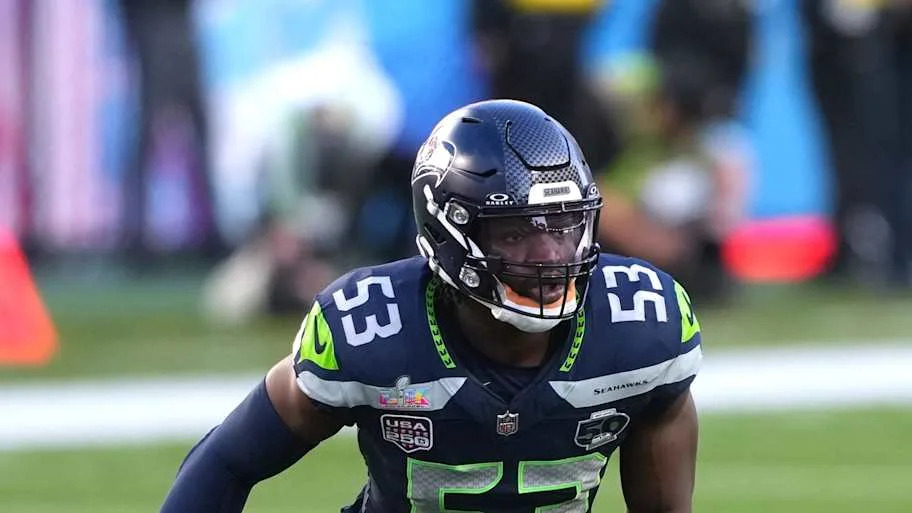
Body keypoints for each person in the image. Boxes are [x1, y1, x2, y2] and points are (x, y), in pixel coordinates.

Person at [160, 99, 703, 512]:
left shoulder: (641, 328)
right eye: (514, 234)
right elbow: (228, 461)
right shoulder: (371, 329)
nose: (549, 256)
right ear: (446, 232)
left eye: (563, 225)